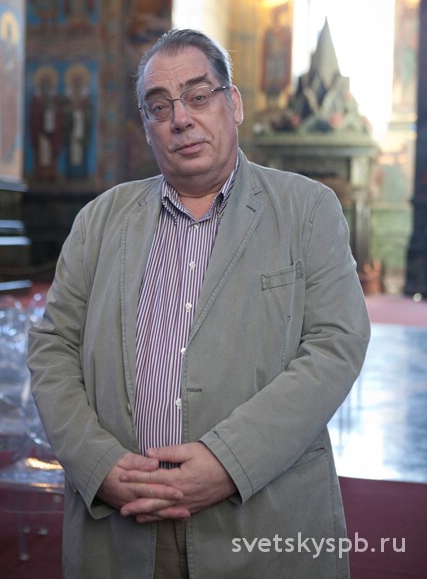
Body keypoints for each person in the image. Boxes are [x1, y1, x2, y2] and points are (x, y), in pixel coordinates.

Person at [28, 28, 371, 579]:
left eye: (197, 96)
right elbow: (53, 348)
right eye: (159, 107)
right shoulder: (100, 220)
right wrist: (98, 465)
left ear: (233, 104)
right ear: (146, 125)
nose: (180, 119)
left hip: (260, 520)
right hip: (120, 527)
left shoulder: (306, 209)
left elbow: (336, 345)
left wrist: (228, 463)